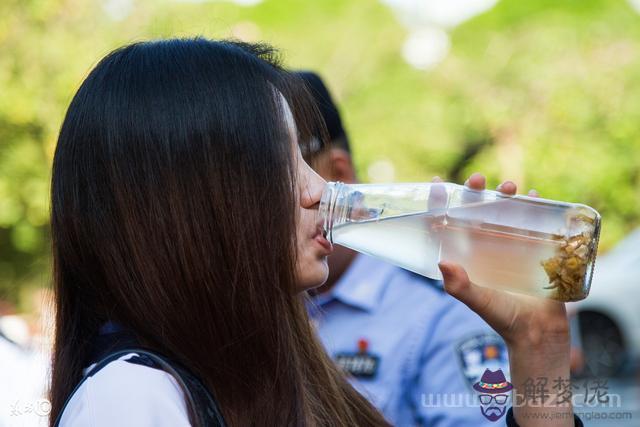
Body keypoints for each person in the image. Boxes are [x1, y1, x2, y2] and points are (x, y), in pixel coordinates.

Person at [49, 38, 582, 427]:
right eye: (284, 163)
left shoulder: (273, 372)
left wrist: (539, 347)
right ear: (191, 199)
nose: (320, 191)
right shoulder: (132, 399)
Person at [298, 70, 511, 426]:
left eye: (287, 173)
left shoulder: (437, 308)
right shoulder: (252, 305)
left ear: (338, 173)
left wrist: (540, 348)